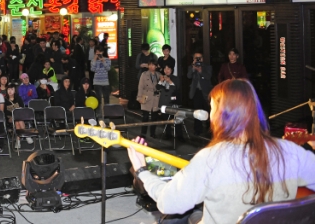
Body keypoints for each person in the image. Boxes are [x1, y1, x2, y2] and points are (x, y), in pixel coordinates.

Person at [128, 79, 315, 224]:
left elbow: (168, 203)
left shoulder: (211, 159)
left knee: (178, 216)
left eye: (212, 109)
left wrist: (142, 171)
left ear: (222, 115)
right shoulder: (290, 151)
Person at [188, 52, 213, 136]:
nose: (198, 60)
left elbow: (208, 77)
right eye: (196, 58)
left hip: (206, 92)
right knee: (197, 111)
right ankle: (197, 130)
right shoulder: (192, 66)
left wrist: (201, 71)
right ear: (193, 59)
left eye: (200, 58)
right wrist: (193, 68)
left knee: (208, 111)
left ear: (202, 58)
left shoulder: (207, 67)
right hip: (196, 92)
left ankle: (209, 130)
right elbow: (188, 76)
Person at [138, 61, 161, 138]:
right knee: (145, 116)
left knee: (154, 116)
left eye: (153, 65)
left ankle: (152, 133)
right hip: (146, 96)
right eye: (150, 65)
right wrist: (139, 97)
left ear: (156, 66)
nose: (151, 67)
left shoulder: (159, 75)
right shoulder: (144, 74)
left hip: (155, 97)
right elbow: (140, 86)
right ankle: (143, 133)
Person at [5, 83, 28, 150]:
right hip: (10, 118)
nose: (10, 91)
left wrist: (16, 116)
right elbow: (5, 111)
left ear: (15, 91)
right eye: (8, 89)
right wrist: (12, 116)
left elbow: (22, 108)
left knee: (18, 121)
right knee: (17, 120)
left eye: (12, 89)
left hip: (19, 117)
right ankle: (26, 134)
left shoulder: (18, 98)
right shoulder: (5, 100)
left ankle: (18, 141)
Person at [92, 48, 112, 115]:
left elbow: (108, 68)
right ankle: (99, 115)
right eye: (96, 53)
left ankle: (107, 115)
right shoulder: (94, 60)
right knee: (98, 99)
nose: (98, 54)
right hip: (97, 81)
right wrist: (94, 60)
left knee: (106, 99)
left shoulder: (107, 60)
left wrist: (103, 61)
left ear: (102, 52)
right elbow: (92, 69)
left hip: (105, 81)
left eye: (99, 53)